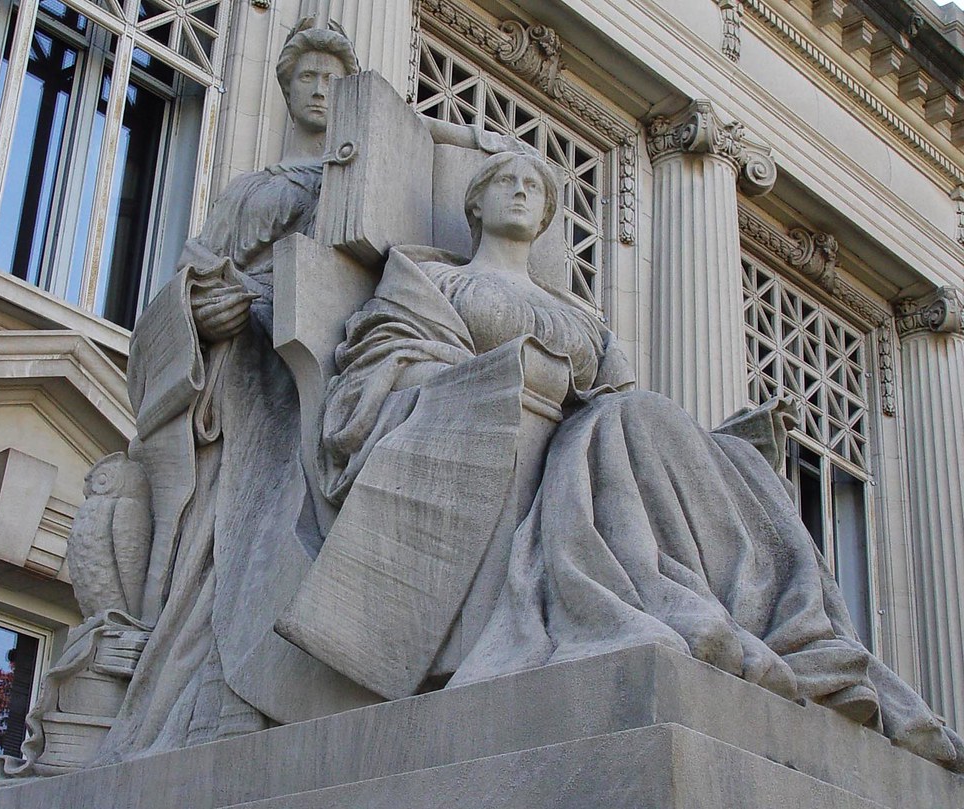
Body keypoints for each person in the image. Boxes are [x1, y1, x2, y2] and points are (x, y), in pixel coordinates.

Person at [315, 151, 964, 772]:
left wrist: (732, 437)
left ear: (545, 216)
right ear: (475, 203)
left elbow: (628, 398)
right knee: (624, 421)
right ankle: (687, 608)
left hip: (590, 443)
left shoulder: (581, 315)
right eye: (504, 180)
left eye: (534, 185)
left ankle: (792, 631)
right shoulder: (437, 279)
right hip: (497, 430)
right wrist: (503, 378)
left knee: (721, 448)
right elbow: (382, 367)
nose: (520, 189)